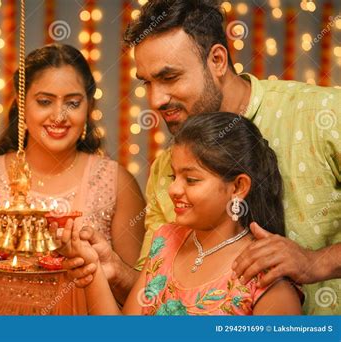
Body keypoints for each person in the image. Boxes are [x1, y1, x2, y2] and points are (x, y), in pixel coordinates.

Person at [64, 0, 340, 315]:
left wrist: (318, 261)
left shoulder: (322, 117)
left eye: (169, 78)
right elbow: (163, 293)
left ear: (218, 60)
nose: (155, 100)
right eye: (147, 83)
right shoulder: (167, 167)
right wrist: (111, 271)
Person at [0, 44, 146, 314]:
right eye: (44, 101)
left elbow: (140, 298)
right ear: (22, 104)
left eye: (72, 102)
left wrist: (110, 272)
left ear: (89, 106)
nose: (59, 116)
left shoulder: (117, 183)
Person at [60, 112, 303, 315]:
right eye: (173, 177)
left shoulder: (264, 268)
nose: (174, 189)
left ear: (238, 187)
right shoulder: (167, 241)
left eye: (192, 179)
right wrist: (92, 267)